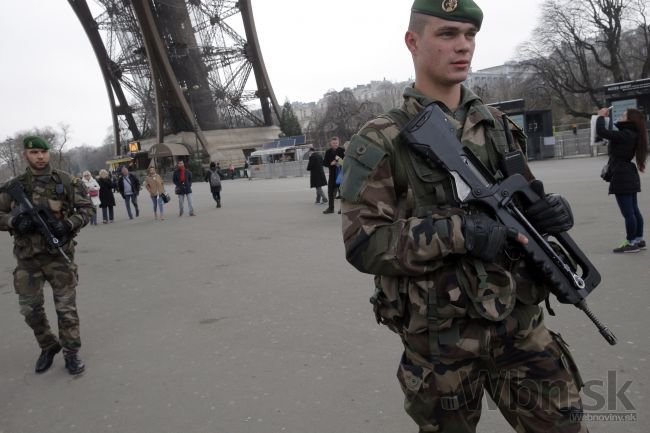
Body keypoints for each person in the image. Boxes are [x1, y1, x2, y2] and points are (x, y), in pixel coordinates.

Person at [340, 2, 586, 432]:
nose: (463, 47)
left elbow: (521, 202)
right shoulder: (381, 139)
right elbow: (364, 243)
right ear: (412, 42)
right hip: (440, 343)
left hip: (520, 325)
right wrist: (460, 232)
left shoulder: (497, 125)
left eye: (470, 36)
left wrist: (549, 213)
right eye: (448, 34)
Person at [0, 136, 93, 375]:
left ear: (48, 153)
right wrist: (14, 221)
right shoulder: (14, 186)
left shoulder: (65, 181)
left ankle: (71, 353)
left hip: (59, 258)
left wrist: (69, 224)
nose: (40, 156)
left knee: (66, 310)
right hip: (27, 260)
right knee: (30, 310)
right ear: (25, 156)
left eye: (43, 151)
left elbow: (87, 209)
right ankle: (48, 345)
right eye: (34, 153)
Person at [596, 107, 647, 253]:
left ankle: (631, 243)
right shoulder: (631, 133)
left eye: (623, 115)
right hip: (629, 173)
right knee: (634, 210)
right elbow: (610, 132)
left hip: (622, 175)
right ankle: (638, 239)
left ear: (630, 120)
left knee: (628, 213)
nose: (620, 116)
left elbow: (602, 132)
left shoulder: (626, 134)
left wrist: (600, 117)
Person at [322, 136, 345, 214]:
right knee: (330, 192)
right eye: (333, 143)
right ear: (330, 143)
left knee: (342, 192)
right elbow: (324, 163)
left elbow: (346, 162)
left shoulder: (342, 151)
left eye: (336, 143)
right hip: (332, 175)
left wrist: (339, 163)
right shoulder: (328, 152)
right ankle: (331, 208)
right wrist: (330, 163)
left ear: (338, 143)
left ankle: (342, 209)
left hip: (341, 175)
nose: (335, 144)